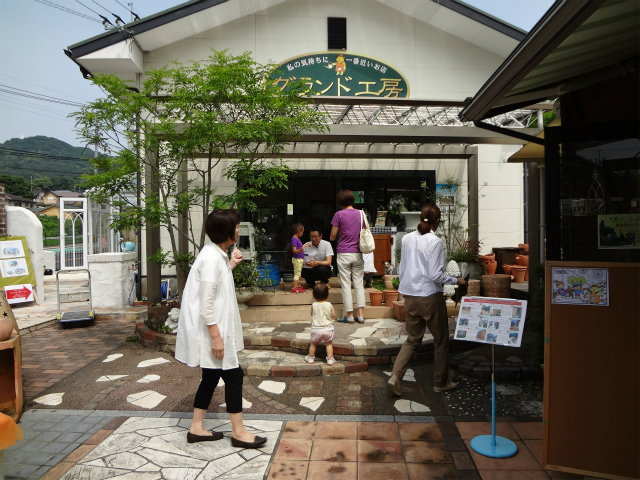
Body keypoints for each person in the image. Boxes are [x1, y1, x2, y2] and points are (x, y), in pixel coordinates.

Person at [175, 209, 267, 449]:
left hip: (213, 330)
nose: (238, 229)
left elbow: (215, 286)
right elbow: (206, 303)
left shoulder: (215, 255)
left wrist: (231, 265)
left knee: (211, 376)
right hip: (213, 332)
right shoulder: (212, 259)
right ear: (226, 230)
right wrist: (216, 338)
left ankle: (196, 428)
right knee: (234, 376)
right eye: (236, 225)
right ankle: (239, 433)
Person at [387, 204, 467, 396]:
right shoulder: (435, 242)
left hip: (410, 296)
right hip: (430, 296)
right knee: (440, 340)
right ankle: (440, 382)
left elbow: (403, 268)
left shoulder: (406, 238)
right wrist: (457, 280)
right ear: (437, 221)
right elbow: (435, 275)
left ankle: (395, 377)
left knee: (412, 340)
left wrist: (404, 289)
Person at [330, 189, 366, 324]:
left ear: (340, 202)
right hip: (358, 253)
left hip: (344, 253)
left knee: (345, 284)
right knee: (358, 284)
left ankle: (350, 315)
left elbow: (333, 237)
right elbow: (365, 231)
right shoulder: (361, 214)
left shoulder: (338, 215)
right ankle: (361, 315)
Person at [305, 283, 336, 365]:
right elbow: (333, 315)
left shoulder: (313, 305)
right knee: (328, 344)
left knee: (313, 344)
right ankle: (330, 359)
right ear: (327, 294)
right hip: (328, 329)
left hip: (316, 329)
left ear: (314, 295)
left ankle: (311, 358)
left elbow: (312, 314)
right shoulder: (329, 304)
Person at [290, 222, 309, 293]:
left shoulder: (296, 239)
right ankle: (294, 288)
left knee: (298, 273)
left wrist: (304, 246)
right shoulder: (294, 239)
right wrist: (301, 249)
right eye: (302, 232)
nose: (302, 234)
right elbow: (294, 250)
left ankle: (296, 286)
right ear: (299, 232)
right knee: (297, 274)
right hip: (297, 259)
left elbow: (299, 248)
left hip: (299, 259)